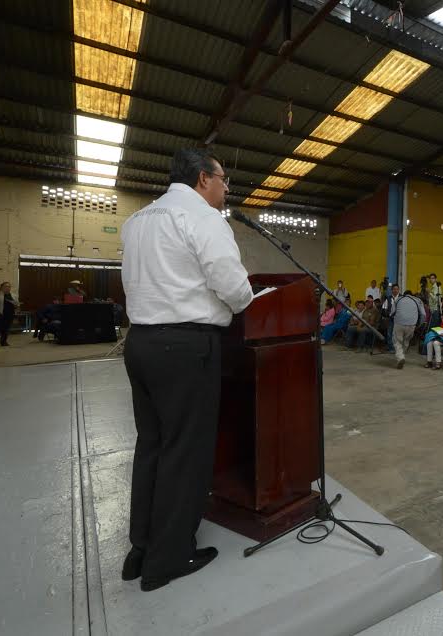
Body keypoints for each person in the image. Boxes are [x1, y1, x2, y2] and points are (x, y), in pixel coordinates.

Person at [120, 147, 253, 591]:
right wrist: (240, 302)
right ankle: (169, 559)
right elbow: (234, 286)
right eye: (223, 179)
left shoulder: (138, 220)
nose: (226, 187)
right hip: (184, 347)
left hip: (140, 343)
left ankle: (141, 549)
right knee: (186, 450)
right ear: (202, 179)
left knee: (153, 445)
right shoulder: (201, 218)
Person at [391, 290, 425, 369]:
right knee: (406, 341)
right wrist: (418, 325)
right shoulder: (418, 300)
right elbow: (423, 314)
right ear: (412, 295)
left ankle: (400, 357)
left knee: (397, 341)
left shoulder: (398, 299)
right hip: (412, 324)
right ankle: (402, 355)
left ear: (404, 295)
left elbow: (392, 312)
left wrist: (393, 317)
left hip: (399, 323)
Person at [0, 282, 19, 348]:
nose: (8, 288)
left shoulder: (13, 295)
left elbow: (16, 304)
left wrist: (16, 305)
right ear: (2, 287)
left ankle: (3, 342)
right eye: (6, 286)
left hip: (9, 315)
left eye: (9, 286)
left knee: (6, 329)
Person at [381, 283, 401, 352]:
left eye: (397, 289)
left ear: (399, 290)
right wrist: (388, 315)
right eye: (394, 289)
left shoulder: (402, 298)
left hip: (400, 320)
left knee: (398, 335)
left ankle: (398, 348)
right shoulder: (388, 299)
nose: (395, 290)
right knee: (389, 333)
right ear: (392, 290)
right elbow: (384, 308)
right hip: (391, 319)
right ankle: (391, 348)